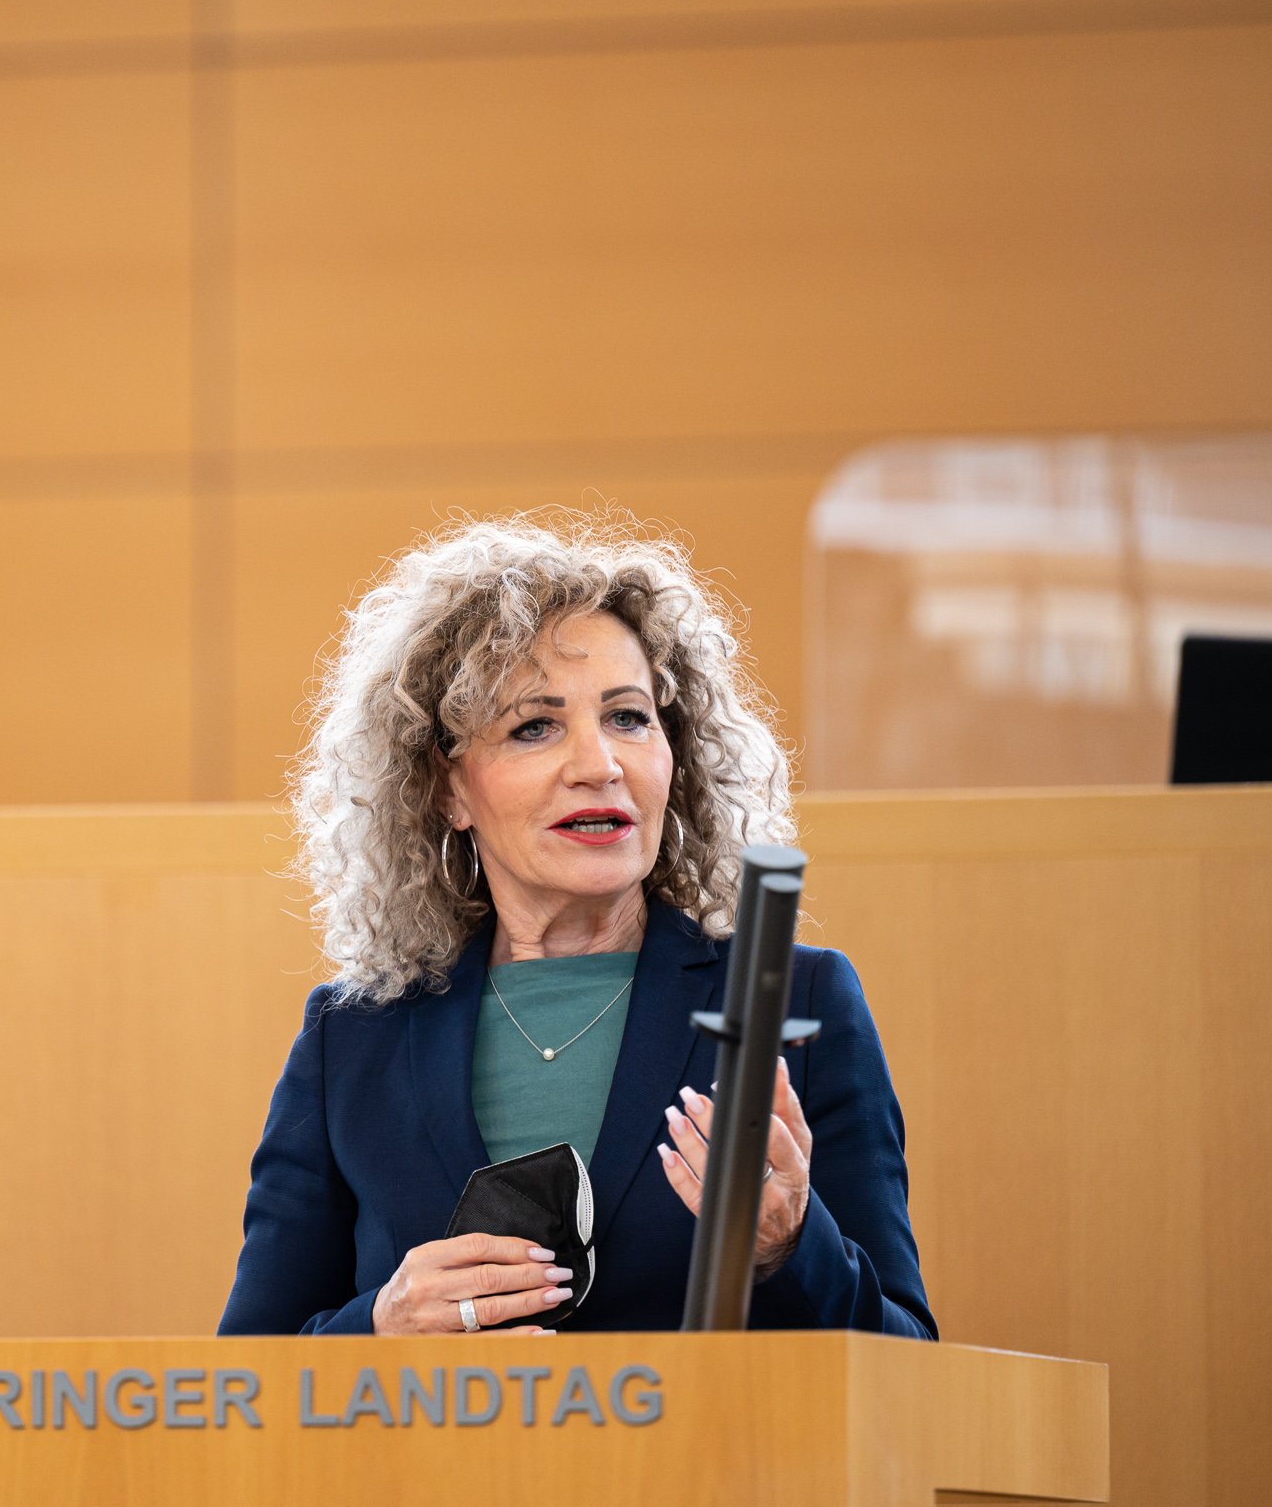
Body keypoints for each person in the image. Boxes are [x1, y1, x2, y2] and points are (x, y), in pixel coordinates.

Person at [218, 515, 934, 1338]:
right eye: (535, 726)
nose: (600, 764)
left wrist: (790, 1246)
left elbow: (904, 1354)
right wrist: (378, 1326)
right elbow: (249, 1379)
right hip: (437, 1471)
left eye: (630, 718)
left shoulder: (800, 1001)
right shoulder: (352, 1040)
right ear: (445, 787)